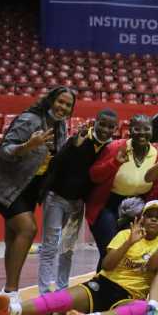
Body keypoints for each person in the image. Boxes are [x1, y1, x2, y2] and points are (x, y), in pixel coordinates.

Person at [0, 201, 158, 315]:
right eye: (149, 216)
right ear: (142, 218)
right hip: (104, 284)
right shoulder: (126, 234)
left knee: (146, 310)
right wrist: (129, 243)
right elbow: (107, 265)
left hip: (130, 296)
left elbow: (153, 268)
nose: (153, 220)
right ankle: (10, 309)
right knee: (59, 299)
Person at [0, 86, 73, 304]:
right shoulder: (30, 120)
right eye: (60, 101)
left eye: (68, 105)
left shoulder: (60, 127)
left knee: (13, 239)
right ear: (50, 100)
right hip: (8, 185)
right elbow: (4, 150)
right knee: (28, 229)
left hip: (32, 188)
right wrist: (28, 146)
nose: (63, 107)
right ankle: (12, 291)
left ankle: (5, 294)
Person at [37, 109, 117, 294]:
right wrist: (73, 146)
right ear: (94, 122)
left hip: (77, 204)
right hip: (56, 198)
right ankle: (43, 293)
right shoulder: (79, 138)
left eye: (110, 126)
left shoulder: (110, 148)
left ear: (115, 128)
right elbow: (56, 164)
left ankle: (61, 290)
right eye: (102, 124)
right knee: (50, 246)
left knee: (67, 249)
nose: (105, 129)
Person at [87, 114, 158, 265]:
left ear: (152, 131)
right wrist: (114, 162)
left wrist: (144, 214)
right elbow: (94, 175)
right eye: (137, 128)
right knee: (110, 251)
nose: (142, 132)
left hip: (137, 208)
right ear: (130, 130)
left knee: (128, 254)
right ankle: (99, 286)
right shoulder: (115, 147)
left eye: (146, 128)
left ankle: (117, 286)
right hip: (107, 205)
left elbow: (156, 188)